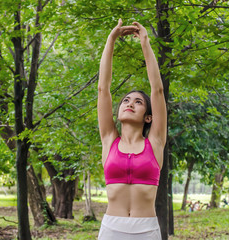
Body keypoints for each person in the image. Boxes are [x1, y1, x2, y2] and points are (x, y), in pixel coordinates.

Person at [98, 19, 167, 239]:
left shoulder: (155, 142)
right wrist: (111, 41)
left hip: (146, 230)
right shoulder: (109, 140)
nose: (129, 103)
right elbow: (103, 89)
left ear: (148, 117)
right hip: (111, 229)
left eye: (138, 102)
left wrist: (145, 43)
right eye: (126, 100)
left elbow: (157, 90)